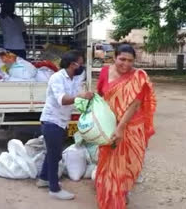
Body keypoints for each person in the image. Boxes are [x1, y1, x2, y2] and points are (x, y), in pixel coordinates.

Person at [96, 44, 156, 208]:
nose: (126, 64)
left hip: (131, 127)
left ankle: (121, 192)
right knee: (108, 163)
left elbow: (135, 104)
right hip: (108, 125)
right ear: (114, 57)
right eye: (122, 59)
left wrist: (121, 127)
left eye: (130, 60)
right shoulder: (104, 72)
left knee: (128, 164)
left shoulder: (138, 77)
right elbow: (100, 96)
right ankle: (110, 196)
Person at [37, 50, 93, 200]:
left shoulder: (73, 78)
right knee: (55, 155)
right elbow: (62, 99)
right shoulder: (57, 78)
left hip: (62, 121)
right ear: (72, 64)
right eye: (80, 64)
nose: (82, 67)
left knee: (52, 152)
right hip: (52, 121)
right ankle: (54, 189)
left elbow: (76, 99)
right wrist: (80, 96)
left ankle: (44, 179)